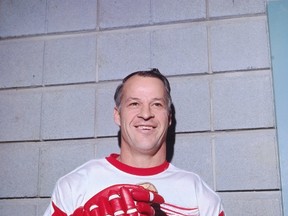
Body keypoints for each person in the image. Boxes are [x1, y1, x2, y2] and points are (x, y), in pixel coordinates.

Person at [44, 69, 225, 216]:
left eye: (157, 104)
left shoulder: (197, 193)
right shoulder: (76, 184)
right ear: (117, 115)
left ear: (169, 118)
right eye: (134, 104)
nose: (145, 114)